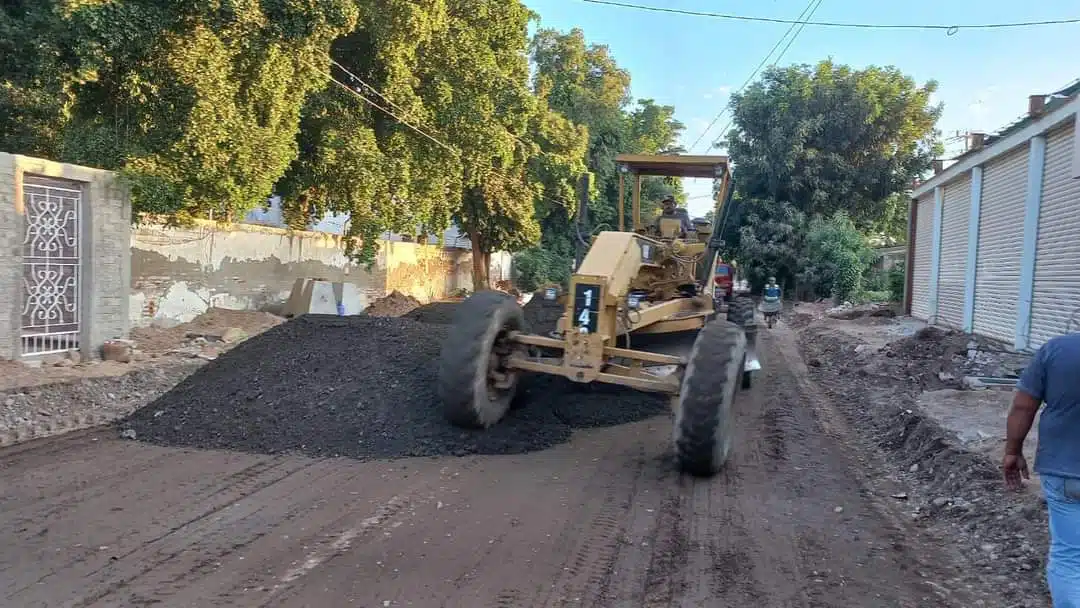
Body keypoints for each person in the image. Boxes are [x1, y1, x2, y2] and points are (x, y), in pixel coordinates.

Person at [1003, 332, 1080, 607]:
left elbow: (1023, 406)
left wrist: (1012, 451)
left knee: (1070, 557)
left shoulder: (1056, 350)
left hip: (1065, 471)